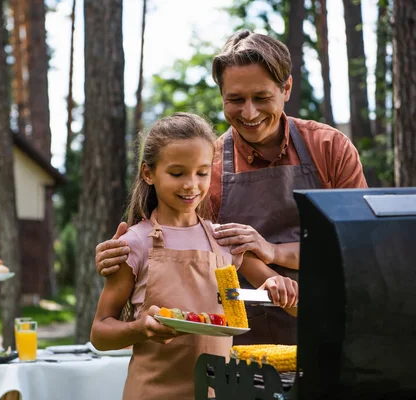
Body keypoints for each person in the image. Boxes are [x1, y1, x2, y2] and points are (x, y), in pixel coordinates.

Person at [95, 30, 367, 346]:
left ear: (286, 88)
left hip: (332, 329)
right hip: (241, 346)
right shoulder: (204, 170)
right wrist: (121, 256)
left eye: (262, 97)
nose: (249, 113)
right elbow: (181, 245)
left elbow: (356, 248)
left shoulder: (329, 148)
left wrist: (274, 250)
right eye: (235, 99)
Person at [90, 113, 298, 400]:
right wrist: (141, 329)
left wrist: (280, 289)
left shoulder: (224, 241)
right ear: (148, 173)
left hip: (215, 393)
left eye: (201, 173)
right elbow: (100, 333)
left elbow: (296, 307)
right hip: (151, 393)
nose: (191, 184)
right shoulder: (134, 243)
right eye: (177, 173)